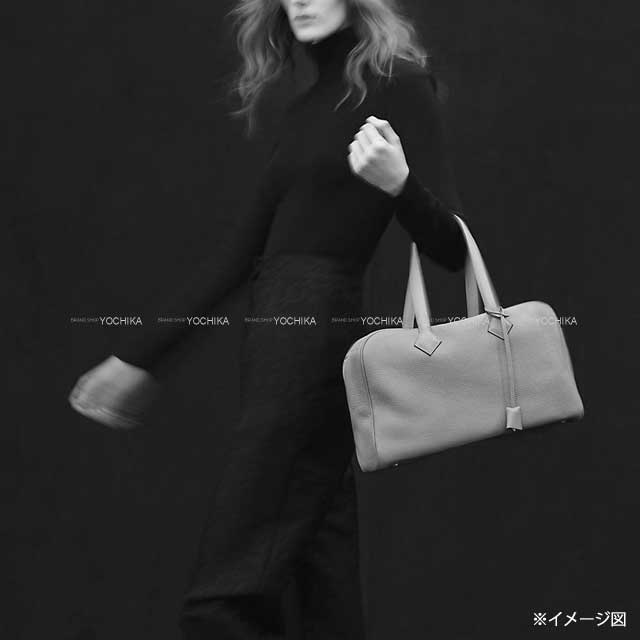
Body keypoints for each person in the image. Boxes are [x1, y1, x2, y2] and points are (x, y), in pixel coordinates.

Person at [69, 0, 472, 637]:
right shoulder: (306, 108)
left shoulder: (399, 84)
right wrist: (140, 358)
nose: (302, 1)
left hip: (314, 340)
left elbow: (451, 247)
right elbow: (240, 256)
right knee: (320, 581)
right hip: (273, 342)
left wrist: (400, 183)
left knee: (225, 591)